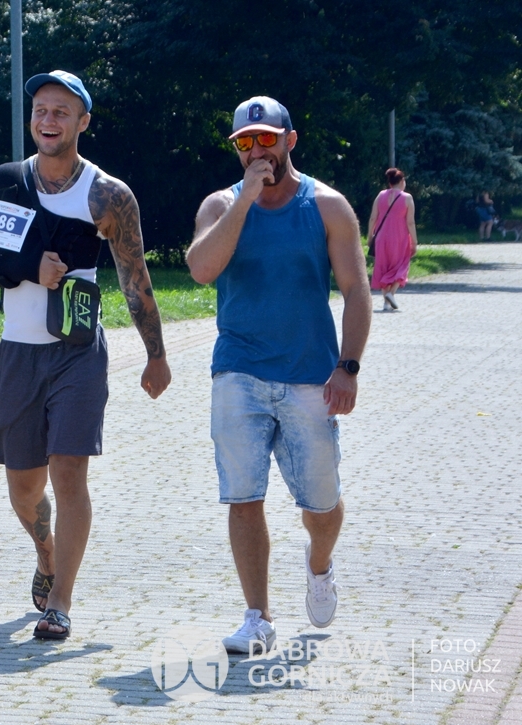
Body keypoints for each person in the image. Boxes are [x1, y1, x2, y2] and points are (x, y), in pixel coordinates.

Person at [0, 70, 171, 640]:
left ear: (83, 121)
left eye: (61, 111)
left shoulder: (107, 195)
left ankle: (60, 601)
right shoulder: (7, 181)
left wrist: (156, 354)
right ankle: (46, 554)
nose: (48, 120)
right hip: (18, 354)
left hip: (77, 355)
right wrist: (29, 268)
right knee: (23, 486)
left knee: (69, 473)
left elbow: (135, 277)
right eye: (41, 110)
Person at [186, 96, 372, 654]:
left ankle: (319, 564)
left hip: (310, 377)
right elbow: (201, 269)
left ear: (290, 140)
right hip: (238, 371)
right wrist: (245, 200)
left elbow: (356, 292)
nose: (257, 151)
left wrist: (348, 367)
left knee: (321, 504)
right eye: (245, 142)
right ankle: (258, 616)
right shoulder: (221, 205)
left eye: (267, 139)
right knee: (243, 496)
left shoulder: (328, 206)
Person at [367, 168, 418, 311]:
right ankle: (391, 293)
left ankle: (386, 303)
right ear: (401, 181)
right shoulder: (407, 198)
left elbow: (373, 218)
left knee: (383, 267)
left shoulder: (380, 195)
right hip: (400, 238)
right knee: (401, 266)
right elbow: (410, 222)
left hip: (381, 237)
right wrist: (414, 242)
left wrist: (370, 236)